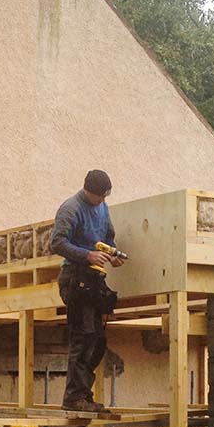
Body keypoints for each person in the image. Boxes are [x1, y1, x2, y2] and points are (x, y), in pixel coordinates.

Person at [51, 170, 124, 412]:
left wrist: (112, 253)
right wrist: (88, 255)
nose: (103, 201)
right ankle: (73, 398)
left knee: (97, 340)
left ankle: (83, 394)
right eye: (99, 197)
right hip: (75, 278)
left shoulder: (102, 208)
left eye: (105, 197)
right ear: (88, 191)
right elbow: (57, 242)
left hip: (93, 279)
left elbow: (108, 236)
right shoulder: (71, 208)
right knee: (83, 337)